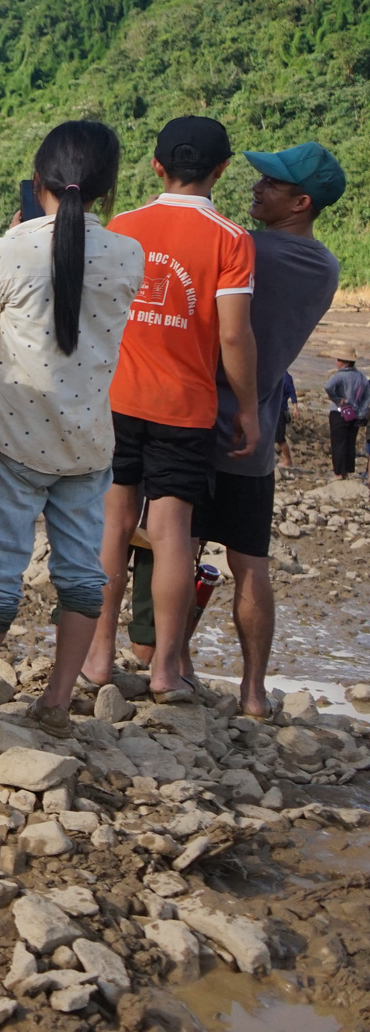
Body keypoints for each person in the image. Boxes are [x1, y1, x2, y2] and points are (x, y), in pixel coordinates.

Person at [0, 122, 144, 736]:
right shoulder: (129, 253)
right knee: (83, 573)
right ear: (108, 192)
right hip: (87, 441)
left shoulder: (11, 248)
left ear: (37, 182)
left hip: (15, 434)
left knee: (0, 569)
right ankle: (56, 703)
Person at [83, 117, 259, 704]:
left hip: (118, 399)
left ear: (156, 166)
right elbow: (233, 337)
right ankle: (163, 669)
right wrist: (250, 410)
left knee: (113, 521)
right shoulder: (231, 239)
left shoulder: (124, 225)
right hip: (185, 407)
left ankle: (99, 655)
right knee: (171, 530)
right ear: (222, 170)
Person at [174, 142, 343, 720]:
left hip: (198, 421)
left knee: (181, 546)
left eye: (271, 184)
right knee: (250, 562)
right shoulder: (326, 267)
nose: (257, 187)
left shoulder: (244, 248)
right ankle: (253, 691)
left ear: (301, 201)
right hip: (257, 434)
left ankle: (175, 663)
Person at [331, 350, 369, 480]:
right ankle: (347, 471)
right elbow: (366, 397)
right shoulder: (361, 377)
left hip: (339, 412)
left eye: (339, 360)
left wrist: (336, 399)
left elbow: (328, 386)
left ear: (346, 362)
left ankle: (338, 473)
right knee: (350, 443)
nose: (337, 362)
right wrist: (361, 413)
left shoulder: (339, 376)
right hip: (354, 414)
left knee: (338, 443)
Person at [276, 374, 298, 471]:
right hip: (272, 408)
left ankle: (288, 460)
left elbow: (292, 392)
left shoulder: (285, 376)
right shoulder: (275, 373)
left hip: (280, 410)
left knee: (279, 438)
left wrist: (296, 409)